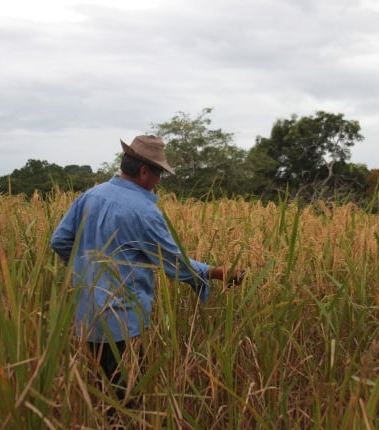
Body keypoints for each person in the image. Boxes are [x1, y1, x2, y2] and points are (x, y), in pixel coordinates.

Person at [50, 134, 245, 412]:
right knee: (129, 400)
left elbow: (59, 241)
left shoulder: (89, 197)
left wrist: (87, 268)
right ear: (143, 171)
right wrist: (215, 272)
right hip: (122, 321)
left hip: (87, 315)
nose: (159, 182)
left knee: (102, 394)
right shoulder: (143, 211)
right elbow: (174, 262)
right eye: (158, 174)